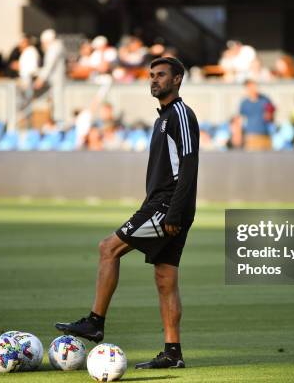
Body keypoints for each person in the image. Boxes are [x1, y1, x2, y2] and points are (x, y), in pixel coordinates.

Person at [55, 57, 199, 370]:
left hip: (166, 206)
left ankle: (95, 321)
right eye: (151, 75)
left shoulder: (181, 115)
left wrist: (174, 213)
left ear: (177, 80)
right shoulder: (163, 118)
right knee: (165, 279)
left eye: (161, 75)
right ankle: (173, 352)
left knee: (109, 248)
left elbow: (189, 166)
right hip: (167, 206)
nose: (154, 80)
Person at [34, 29, 66, 119]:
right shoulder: (57, 47)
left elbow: (49, 65)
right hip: (54, 82)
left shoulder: (54, 48)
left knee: (58, 103)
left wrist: (40, 79)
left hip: (57, 82)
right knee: (54, 102)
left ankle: (58, 122)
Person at [238, 79, 275, 151]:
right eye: (250, 87)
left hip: (265, 134)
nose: (253, 89)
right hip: (251, 136)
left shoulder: (265, 100)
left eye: (254, 86)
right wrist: (239, 134)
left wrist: (270, 116)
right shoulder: (244, 103)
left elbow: (271, 116)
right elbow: (241, 119)